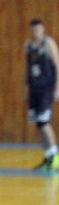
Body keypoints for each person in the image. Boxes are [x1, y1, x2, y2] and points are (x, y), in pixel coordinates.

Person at [24, 19, 59, 170]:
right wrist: (25, 89)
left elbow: (57, 65)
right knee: (38, 124)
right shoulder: (28, 45)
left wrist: (57, 88)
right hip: (34, 89)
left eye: (38, 30)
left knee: (44, 122)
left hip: (47, 88)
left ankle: (55, 156)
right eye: (33, 30)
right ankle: (47, 157)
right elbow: (26, 69)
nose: (35, 32)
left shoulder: (48, 43)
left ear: (43, 30)